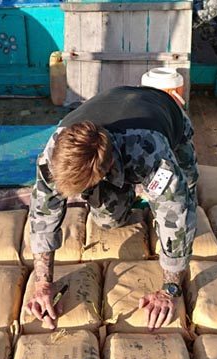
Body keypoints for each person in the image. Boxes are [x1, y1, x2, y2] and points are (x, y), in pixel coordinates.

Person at [26, 85, 198, 332]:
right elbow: (43, 213)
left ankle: (144, 186)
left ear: (105, 171)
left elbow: (176, 214)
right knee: (108, 221)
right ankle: (127, 193)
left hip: (165, 112)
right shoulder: (54, 152)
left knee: (186, 188)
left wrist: (171, 289)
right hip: (112, 100)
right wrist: (43, 285)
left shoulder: (152, 153)